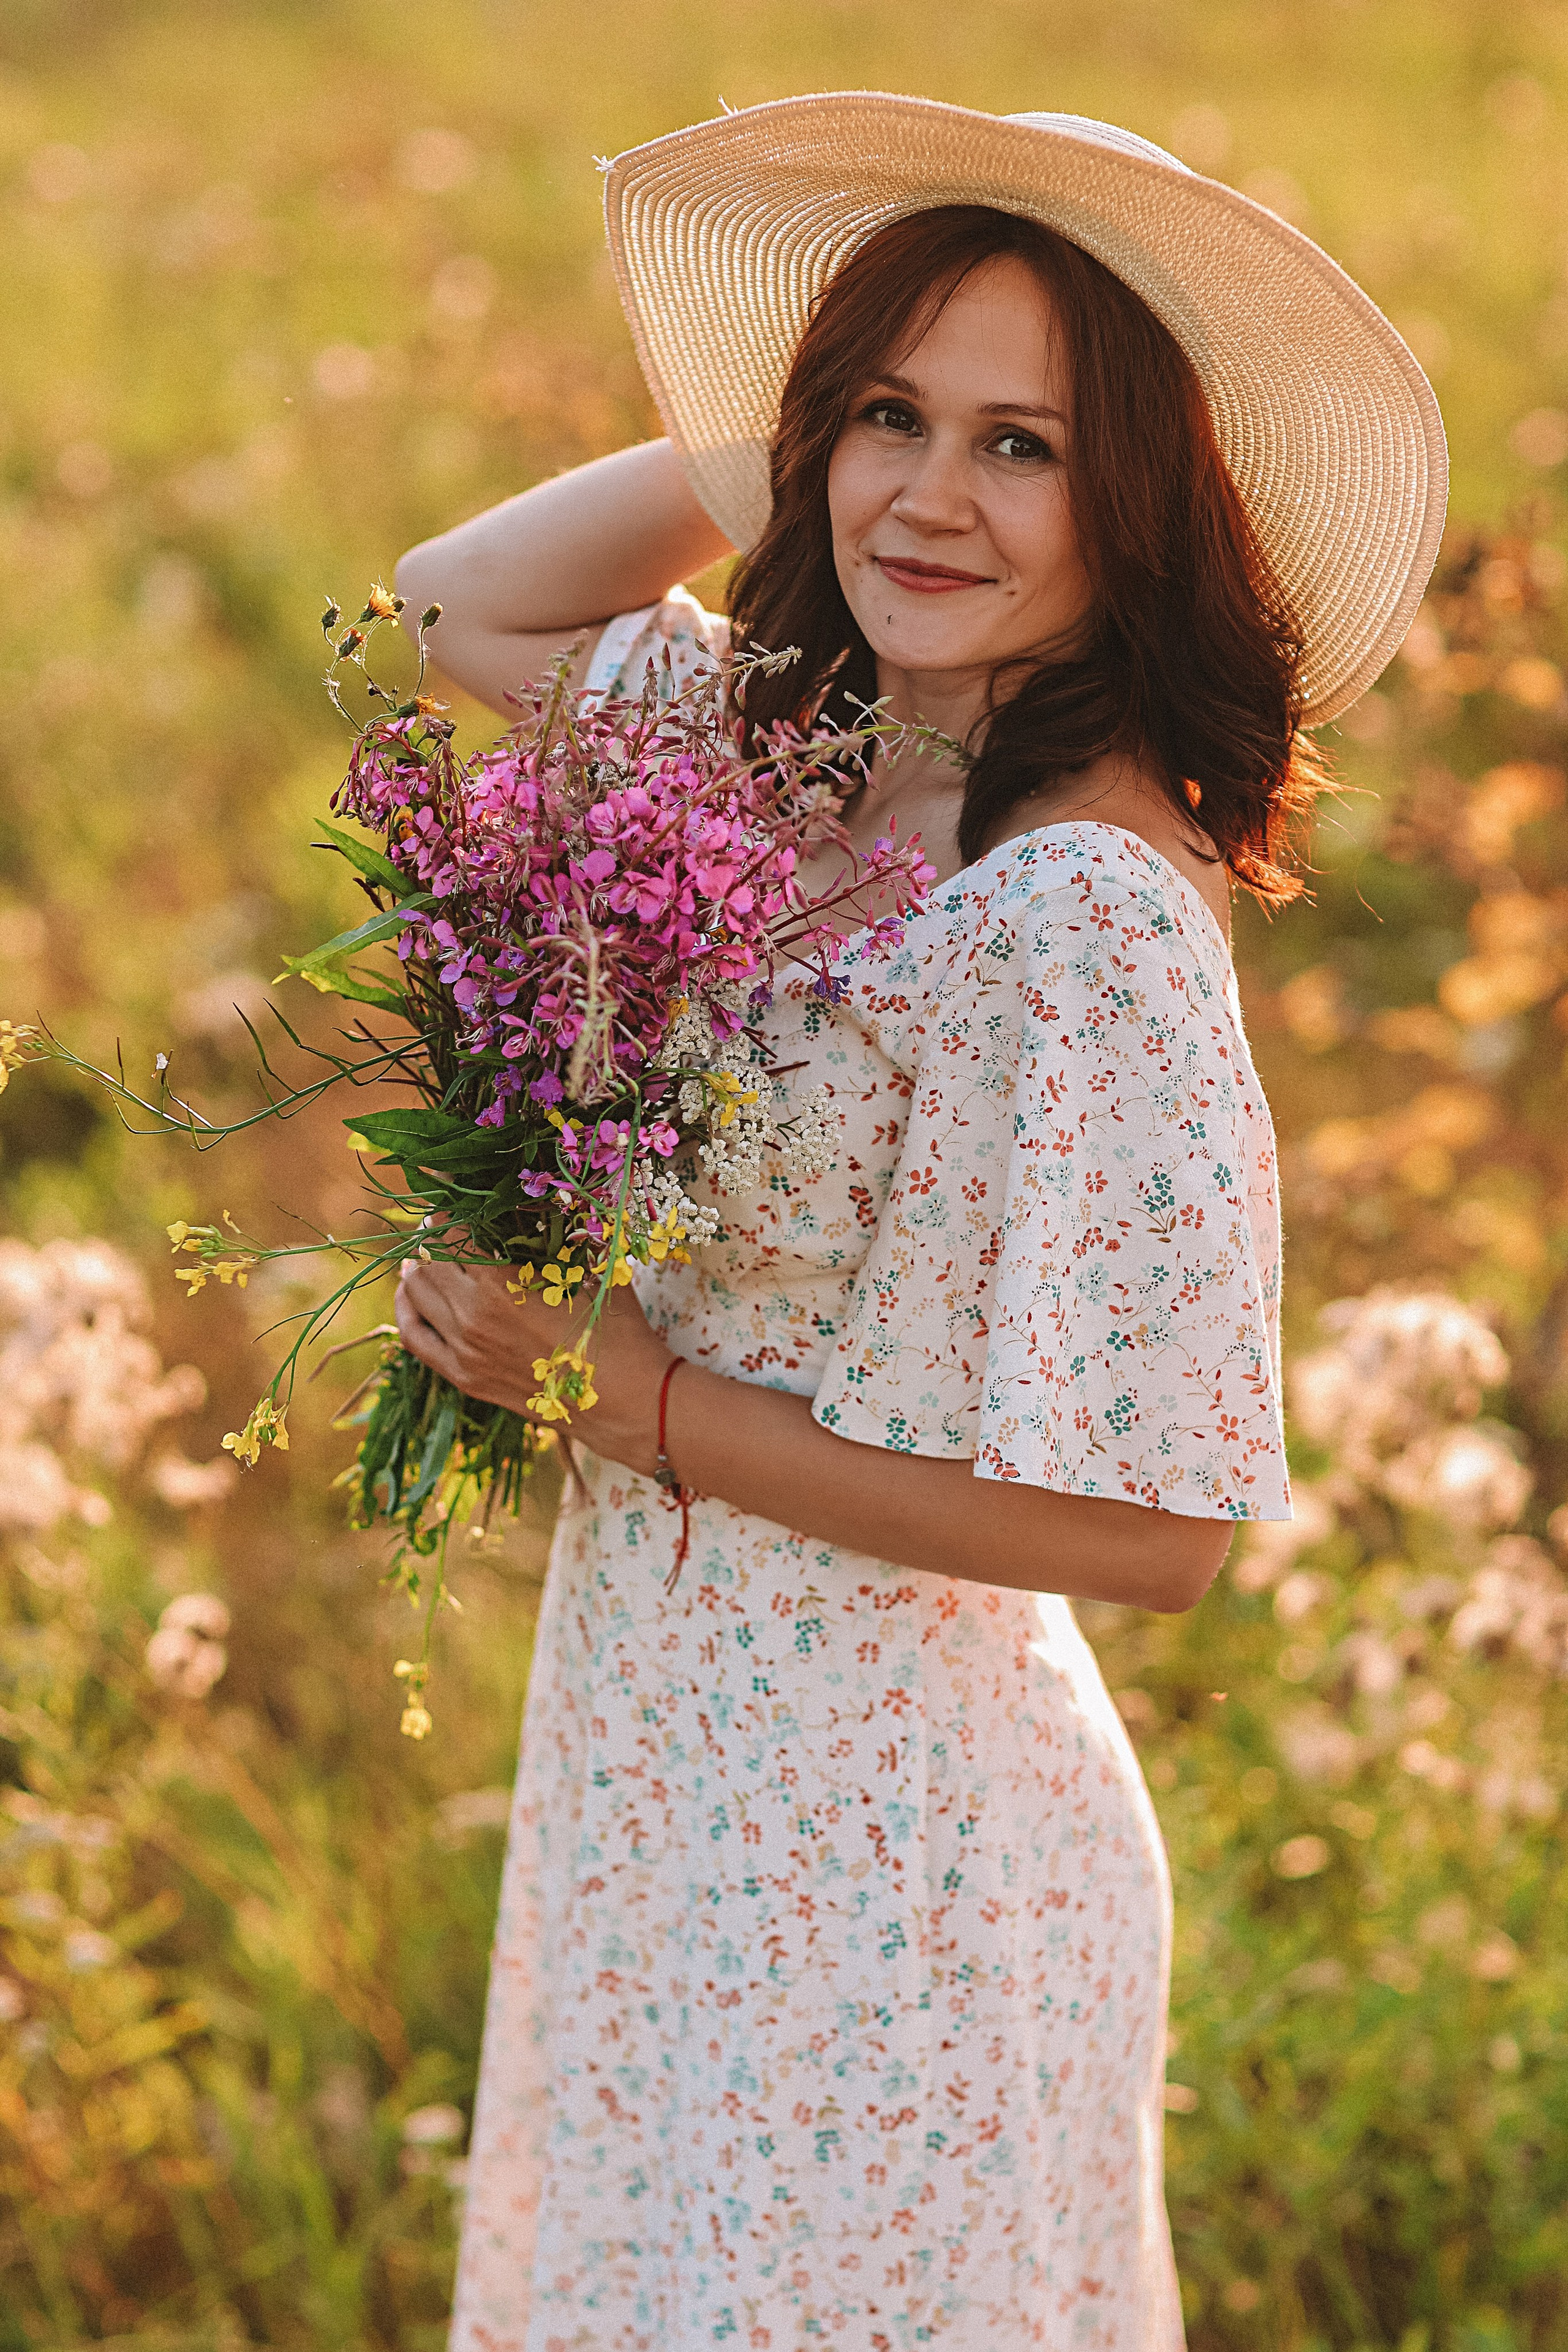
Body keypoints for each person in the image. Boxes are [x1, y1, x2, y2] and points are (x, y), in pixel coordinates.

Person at [392, 96, 1444, 2351]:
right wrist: (780, 417)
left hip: (897, 1860)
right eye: (889, 417)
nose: (928, 498)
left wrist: (633, 1398)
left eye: (1026, 448)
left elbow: (1161, 1532)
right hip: (663, 1753)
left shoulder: (1083, 915)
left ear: (1135, 504)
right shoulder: (758, 763)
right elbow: (453, 603)